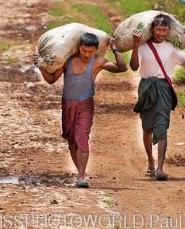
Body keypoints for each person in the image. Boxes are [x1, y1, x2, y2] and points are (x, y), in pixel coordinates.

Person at [36, 33, 127, 188]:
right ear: (79, 48)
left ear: (96, 50)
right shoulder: (67, 61)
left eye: (90, 52)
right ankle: (80, 171)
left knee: (82, 136)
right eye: (84, 51)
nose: (87, 54)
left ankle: (81, 176)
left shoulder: (98, 62)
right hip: (68, 105)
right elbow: (51, 80)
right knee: (72, 140)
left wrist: (115, 50)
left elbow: (122, 68)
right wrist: (41, 66)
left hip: (86, 104)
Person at [130, 14, 185, 181]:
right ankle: (151, 161)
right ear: (152, 30)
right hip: (146, 88)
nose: (161, 33)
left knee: (162, 125)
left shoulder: (171, 48)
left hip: (164, 88)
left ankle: (160, 168)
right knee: (147, 128)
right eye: (158, 29)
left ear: (168, 31)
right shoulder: (144, 47)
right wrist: (136, 44)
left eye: (164, 30)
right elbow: (134, 66)